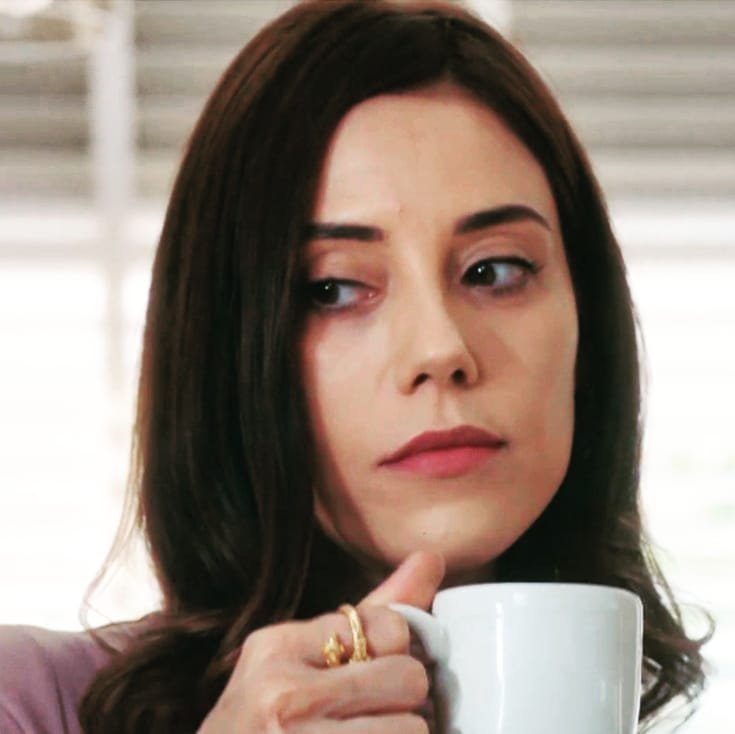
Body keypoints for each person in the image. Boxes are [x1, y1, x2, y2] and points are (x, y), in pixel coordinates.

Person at [0, 1, 712, 732]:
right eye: (334, 289)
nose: (440, 350)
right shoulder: (24, 701)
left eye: (494, 271)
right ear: (225, 351)